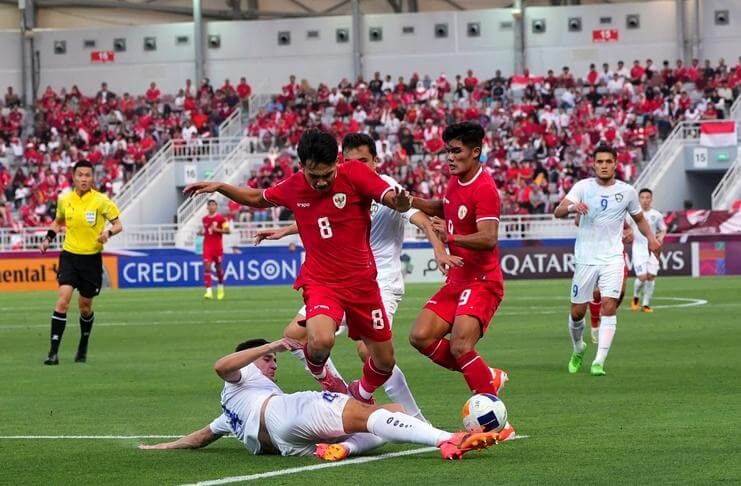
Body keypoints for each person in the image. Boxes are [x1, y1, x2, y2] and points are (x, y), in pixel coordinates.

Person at [183, 129, 413, 405]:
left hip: (363, 283)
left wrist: (397, 202)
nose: (321, 182)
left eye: (327, 174)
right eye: (314, 176)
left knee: (384, 361)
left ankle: (359, 393)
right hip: (321, 282)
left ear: (337, 163)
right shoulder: (293, 186)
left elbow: (387, 195)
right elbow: (257, 198)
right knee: (320, 342)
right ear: (302, 165)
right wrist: (222, 187)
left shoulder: (355, 173)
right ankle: (320, 370)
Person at [255, 132, 461, 419]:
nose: (358, 166)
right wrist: (285, 231)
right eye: (351, 161)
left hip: (380, 281)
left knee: (370, 353)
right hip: (337, 279)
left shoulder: (387, 188)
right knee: (294, 336)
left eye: (364, 160)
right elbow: (323, 219)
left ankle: (413, 417)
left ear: (375, 161)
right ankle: (339, 390)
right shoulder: (342, 180)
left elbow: (419, 217)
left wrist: (439, 249)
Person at [137, 337, 500, 460]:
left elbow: (201, 437)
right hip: (283, 414)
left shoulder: (230, 410)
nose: (273, 365)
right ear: (250, 360)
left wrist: (162, 448)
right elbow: (221, 365)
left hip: (286, 445)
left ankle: (349, 448)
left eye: (274, 360)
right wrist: (272, 345)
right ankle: (447, 439)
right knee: (365, 413)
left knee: (390, 412)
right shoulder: (241, 377)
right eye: (268, 361)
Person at [407, 122, 513, 437]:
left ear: (475, 152)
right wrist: (411, 201)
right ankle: (487, 376)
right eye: (448, 151)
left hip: (482, 280)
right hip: (457, 280)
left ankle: (498, 424)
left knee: (460, 345)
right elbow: (445, 206)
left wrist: (450, 235)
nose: (450, 157)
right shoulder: (455, 181)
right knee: (420, 337)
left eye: (456, 151)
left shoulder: (485, 188)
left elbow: (489, 237)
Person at [554, 145, 661, 376]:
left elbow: (639, 219)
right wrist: (573, 206)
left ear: (615, 163)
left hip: (613, 258)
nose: (604, 165)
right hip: (585, 258)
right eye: (599, 161)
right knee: (577, 312)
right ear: (594, 164)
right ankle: (578, 347)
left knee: (609, 306)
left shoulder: (628, 191)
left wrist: (651, 238)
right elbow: (558, 211)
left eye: (608, 162)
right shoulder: (583, 187)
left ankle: (598, 361)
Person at [40, 160, 123, 365]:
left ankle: (83, 343)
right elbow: (58, 222)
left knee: (85, 307)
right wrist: (48, 239)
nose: (84, 178)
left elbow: (118, 224)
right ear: (74, 177)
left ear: (92, 177)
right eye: (80, 175)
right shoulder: (64, 200)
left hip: (91, 260)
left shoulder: (102, 201)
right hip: (69, 256)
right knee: (63, 300)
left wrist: (107, 233)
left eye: (87, 175)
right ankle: (53, 352)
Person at [629, 188, 667, 312]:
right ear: (639, 199)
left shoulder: (656, 215)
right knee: (642, 277)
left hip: (653, 249)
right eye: (643, 197)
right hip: (638, 249)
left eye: (647, 197)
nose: (645, 200)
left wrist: (660, 237)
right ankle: (635, 298)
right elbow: (625, 227)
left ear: (651, 199)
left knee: (651, 276)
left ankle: (645, 304)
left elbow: (663, 228)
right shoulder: (633, 214)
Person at [200, 199, 230, 300]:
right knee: (207, 267)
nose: (212, 206)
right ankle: (208, 292)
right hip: (207, 246)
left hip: (217, 247)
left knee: (218, 268)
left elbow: (228, 231)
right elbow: (206, 231)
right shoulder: (204, 219)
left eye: (214, 205)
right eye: (210, 205)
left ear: (216, 207)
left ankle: (220, 287)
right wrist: (201, 232)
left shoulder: (221, 219)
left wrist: (217, 230)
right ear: (207, 207)